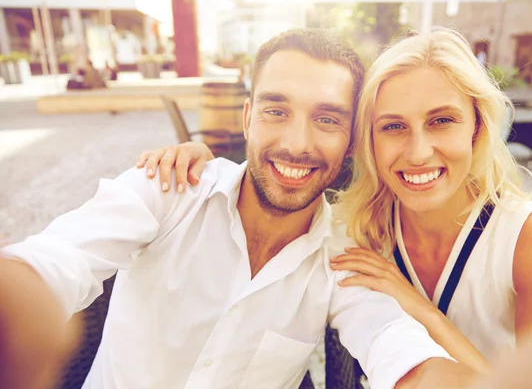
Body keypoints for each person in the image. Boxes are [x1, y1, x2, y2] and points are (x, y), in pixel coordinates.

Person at [0, 29, 474, 389]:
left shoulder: (341, 257)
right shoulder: (168, 188)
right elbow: (59, 256)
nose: (296, 143)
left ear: (351, 142)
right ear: (247, 118)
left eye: (327, 120)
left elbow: (394, 343)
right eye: (276, 111)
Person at [138, 27, 532, 370]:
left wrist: (419, 308)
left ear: (477, 128)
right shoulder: (362, 226)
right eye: (392, 126)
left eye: (442, 120)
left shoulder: (528, 236)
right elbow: (293, 164)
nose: (418, 151)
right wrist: (204, 164)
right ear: (365, 141)